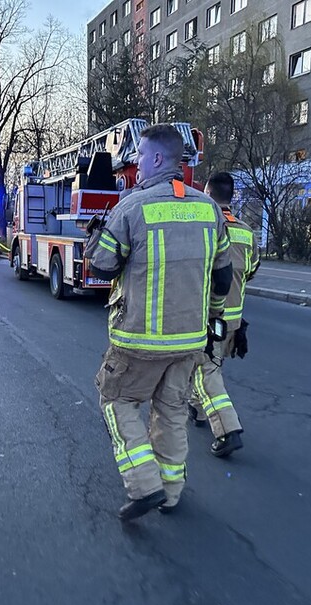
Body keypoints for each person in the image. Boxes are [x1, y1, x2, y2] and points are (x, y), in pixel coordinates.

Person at [85, 124, 233, 520]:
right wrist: (213, 315)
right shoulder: (209, 208)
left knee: (116, 402)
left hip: (139, 341)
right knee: (171, 413)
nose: (135, 165)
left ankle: (144, 484)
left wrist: (95, 234)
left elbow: (102, 265)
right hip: (189, 341)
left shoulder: (133, 207)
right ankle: (170, 492)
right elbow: (222, 276)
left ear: (154, 159)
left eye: (139, 158)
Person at [188, 172, 259, 458]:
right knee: (210, 367)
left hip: (208, 316)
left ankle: (227, 430)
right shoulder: (246, 231)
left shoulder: (204, 228)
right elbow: (251, 270)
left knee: (207, 372)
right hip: (233, 320)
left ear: (207, 194)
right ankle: (197, 408)